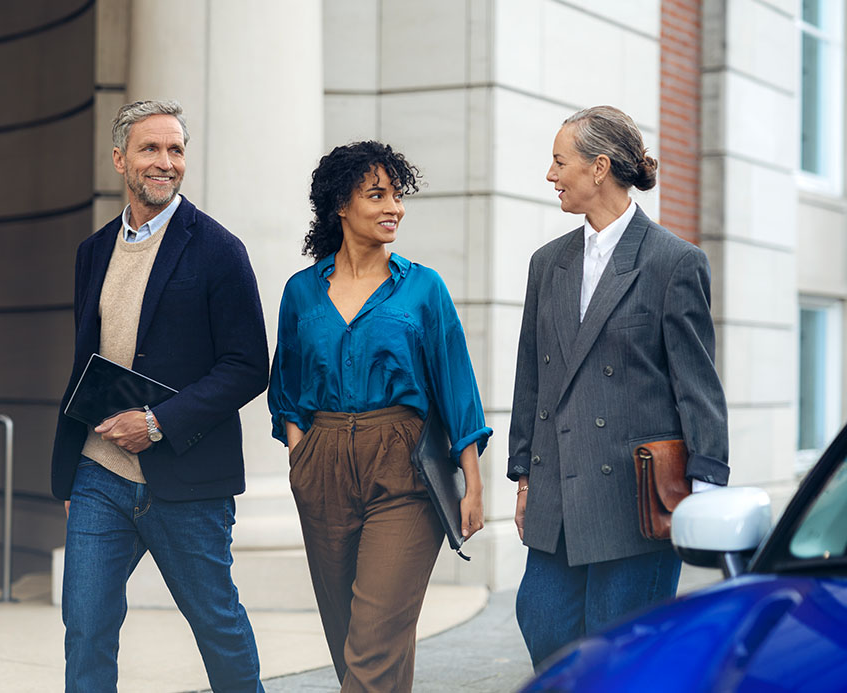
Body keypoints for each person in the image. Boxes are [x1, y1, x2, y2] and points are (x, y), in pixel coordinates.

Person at [50, 99, 268, 693]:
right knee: (86, 626)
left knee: (217, 625)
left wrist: (157, 422)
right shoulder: (92, 252)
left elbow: (250, 366)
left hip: (187, 480)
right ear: (120, 159)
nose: (165, 162)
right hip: (99, 476)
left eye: (175, 149)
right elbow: (89, 362)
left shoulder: (219, 250)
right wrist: (70, 472)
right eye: (150, 148)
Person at [508, 105, 729, 666]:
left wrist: (705, 488)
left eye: (560, 162)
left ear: (599, 167)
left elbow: (697, 386)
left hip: (636, 503)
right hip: (557, 494)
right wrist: (524, 477)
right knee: (543, 622)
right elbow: (532, 378)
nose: (551, 174)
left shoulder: (674, 263)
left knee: (622, 656)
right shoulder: (546, 263)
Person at [267, 141, 492, 692]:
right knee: (353, 639)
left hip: (404, 465)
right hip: (321, 463)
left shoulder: (423, 288)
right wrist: (303, 453)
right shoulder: (301, 292)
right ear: (341, 206)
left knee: (373, 643)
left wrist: (472, 481)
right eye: (378, 195)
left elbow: (456, 384)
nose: (395, 207)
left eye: (397, 195)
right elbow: (286, 387)